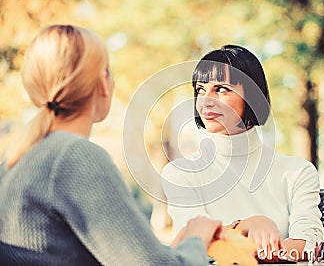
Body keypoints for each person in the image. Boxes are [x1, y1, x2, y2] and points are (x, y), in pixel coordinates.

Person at [0, 24, 222, 266]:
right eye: (107, 70)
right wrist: (197, 237)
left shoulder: (17, 159)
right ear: (101, 85)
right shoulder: (75, 157)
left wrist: (179, 249)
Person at [162, 44, 324, 261]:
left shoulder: (297, 172)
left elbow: (309, 245)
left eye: (221, 89)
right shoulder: (179, 174)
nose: (206, 100)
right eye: (201, 90)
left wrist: (246, 249)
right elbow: (194, 245)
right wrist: (247, 225)